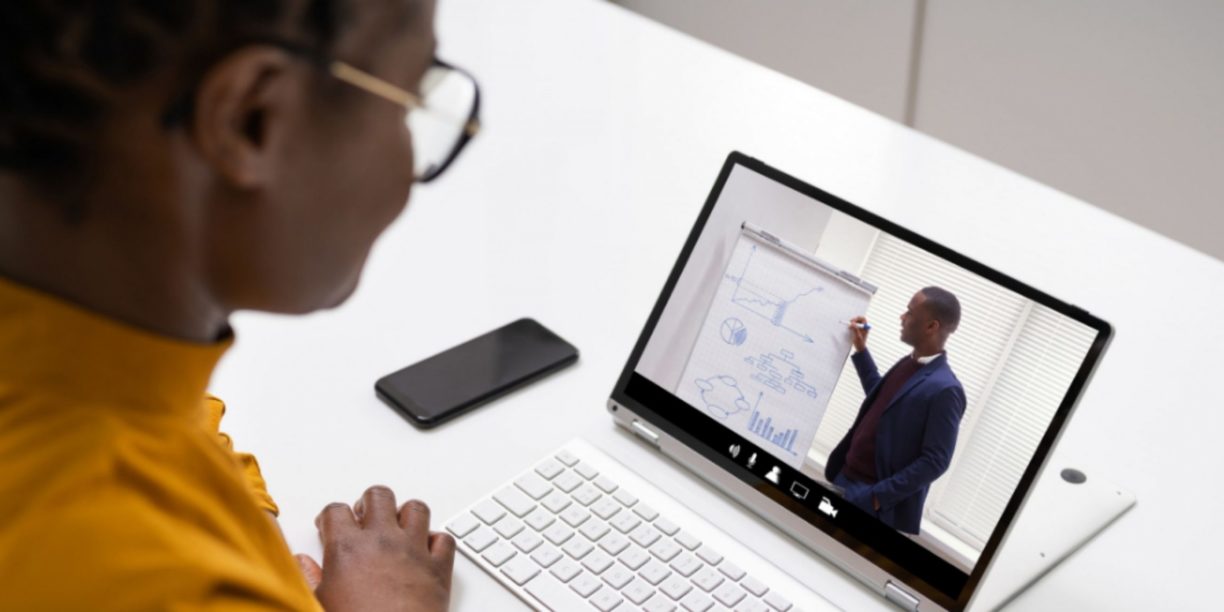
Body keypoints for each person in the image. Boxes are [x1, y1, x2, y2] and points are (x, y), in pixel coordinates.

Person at [0, 0, 477, 609]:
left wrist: (244, 526)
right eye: (408, 101)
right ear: (251, 118)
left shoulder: (74, 327)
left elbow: (178, 417)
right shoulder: (179, 584)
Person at [825, 287, 967, 535]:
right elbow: (881, 401)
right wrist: (861, 350)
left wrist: (876, 498)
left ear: (932, 326)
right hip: (844, 478)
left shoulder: (946, 389)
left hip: (869, 500)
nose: (902, 317)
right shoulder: (908, 362)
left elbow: (936, 461)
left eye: (910, 313)